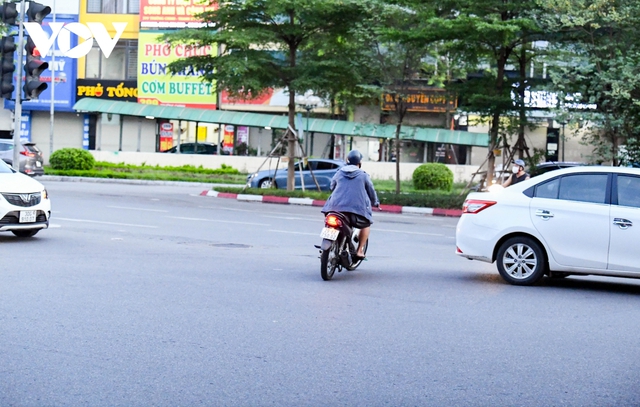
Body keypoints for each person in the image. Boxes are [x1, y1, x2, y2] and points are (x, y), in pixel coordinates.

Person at [322, 149, 380, 260]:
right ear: (360, 163)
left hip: (334, 208)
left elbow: (332, 186)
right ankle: (359, 251)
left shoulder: (339, 172)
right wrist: (375, 202)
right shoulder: (363, 175)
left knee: (329, 221)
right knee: (366, 224)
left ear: (347, 161)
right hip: (356, 211)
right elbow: (371, 191)